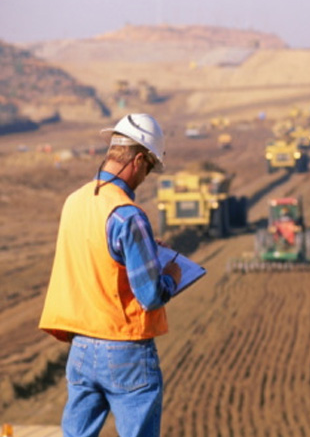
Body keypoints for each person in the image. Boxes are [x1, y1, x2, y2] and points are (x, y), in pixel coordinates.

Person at [39, 113, 182, 437]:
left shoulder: (74, 202)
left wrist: (142, 251)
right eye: (148, 168)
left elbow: (96, 255)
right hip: (125, 349)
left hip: (82, 348)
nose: (145, 176)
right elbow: (150, 296)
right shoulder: (128, 215)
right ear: (139, 160)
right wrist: (170, 274)